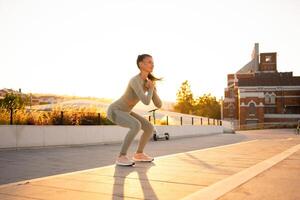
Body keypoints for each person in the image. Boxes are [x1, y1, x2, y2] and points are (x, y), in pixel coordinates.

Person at [106, 54, 162, 166]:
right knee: (136, 125)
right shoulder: (134, 80)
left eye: (153, 62)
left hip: (126, 111)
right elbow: (146, 101)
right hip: (115, 110)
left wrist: (153, 89)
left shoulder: (147, 81)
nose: (152, 64)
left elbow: (158, 104)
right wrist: (150, 89)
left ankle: (139, 154)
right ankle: (121, 156)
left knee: (149, 127)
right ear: (141, 64)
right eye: (149, 62)